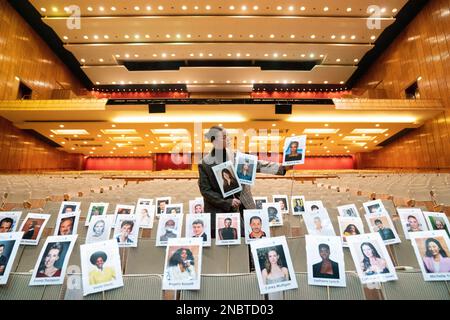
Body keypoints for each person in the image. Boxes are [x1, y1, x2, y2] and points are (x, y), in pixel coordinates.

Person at [198, 126, 289, 236]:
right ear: (214, 140)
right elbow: (205, 191)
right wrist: (227, 202)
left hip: (244, 206)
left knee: (250, 242)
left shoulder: (236, 156)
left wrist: (282, 168)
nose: (228, 140)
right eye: (224, 137)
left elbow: (258, 165)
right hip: (220, 210)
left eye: (228, 137)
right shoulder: (204, 163)